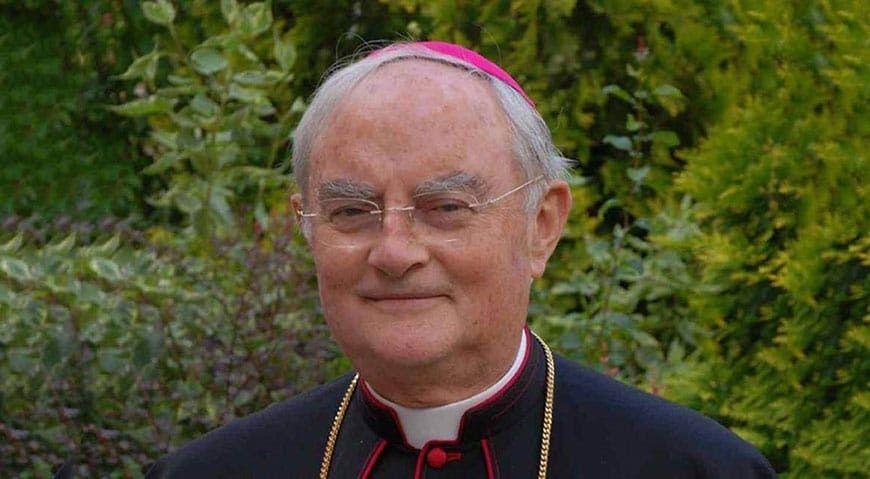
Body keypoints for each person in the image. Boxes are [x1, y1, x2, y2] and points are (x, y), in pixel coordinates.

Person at [145, 41, 776, 478]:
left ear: (541, 226)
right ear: (306, 228)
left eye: (445, 207)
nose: (394, 252)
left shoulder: (695, 470)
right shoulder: (207, 473)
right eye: (352, 211)